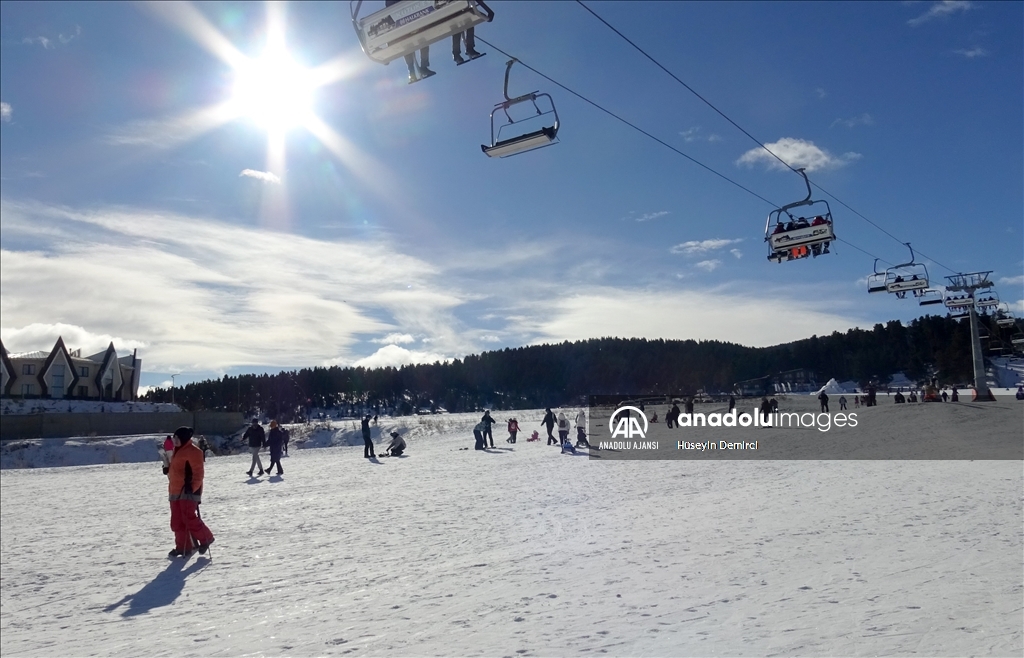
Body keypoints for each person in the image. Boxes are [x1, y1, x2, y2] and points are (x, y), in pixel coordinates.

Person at [167, 426, 214, 558]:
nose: (175, 440)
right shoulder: (176, 451)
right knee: (177, 521)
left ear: (184, 438)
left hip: (188, 490)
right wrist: (167, 469)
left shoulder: (194, 452)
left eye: (177, 438)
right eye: (174, 438)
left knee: (188, 517)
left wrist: (192, 487)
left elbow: (198, 473)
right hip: (174, 490)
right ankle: (184, 547)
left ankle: (206, 538)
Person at [385, 0, 434, 83]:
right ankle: (412, 72)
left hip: (413, 17)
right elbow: (390, 9)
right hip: (401, 22)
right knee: (407, 45)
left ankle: (422, 68)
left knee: (423, 41)